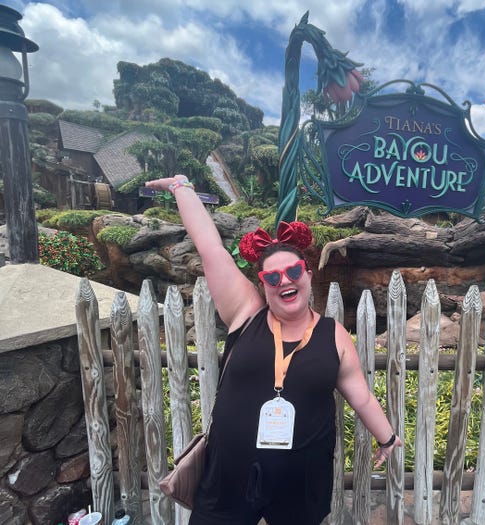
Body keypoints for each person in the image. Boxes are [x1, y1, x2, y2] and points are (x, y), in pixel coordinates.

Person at [145, 175, 402, 525]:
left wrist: (387, 438)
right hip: (229, 477)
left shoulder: (334, 334)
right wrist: (182, 188)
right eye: (272, 277)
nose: (285, 281)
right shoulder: (246, 313)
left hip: (301, 483)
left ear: (309, 274)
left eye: (293, 270)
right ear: (262, 284)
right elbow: (210, 248)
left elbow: (362, 397)